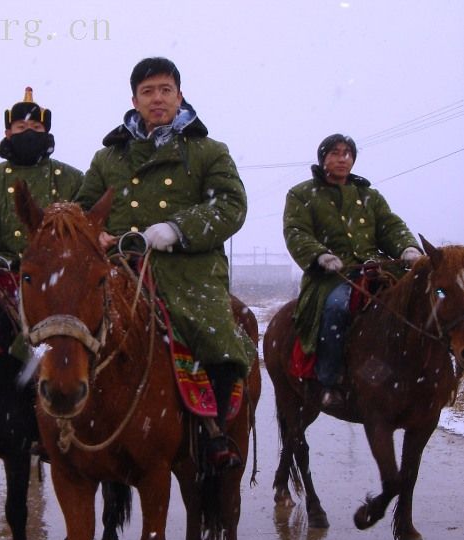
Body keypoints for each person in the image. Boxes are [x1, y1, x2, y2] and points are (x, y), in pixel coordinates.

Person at [76, 57, 257, 469]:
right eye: (148, 92)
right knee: (69, 327)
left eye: (165, 90)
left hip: (187, 268)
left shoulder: (208, 151)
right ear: (134, 100)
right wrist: (94, 233)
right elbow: (85, 208)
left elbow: (232, 205)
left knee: (214, 334)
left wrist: (178, 228)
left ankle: (216, 431)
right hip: (120, 266)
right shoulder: (108, 158)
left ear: (179, 95)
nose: (157, 99)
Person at [284, 133, 422, 409]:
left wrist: (407, 248)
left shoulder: (369, 196)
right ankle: (329, 380)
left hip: (377, 268)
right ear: (323, 158)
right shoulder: (301, 194)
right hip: (331, 275)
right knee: (336, 308)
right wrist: (320, 255)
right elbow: (296, 232)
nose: (342, 158)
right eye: (335, 153)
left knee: (419, 301)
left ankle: (420, 375)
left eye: (347, 153)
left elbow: (390, 227)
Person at [0, 87, 83, 280]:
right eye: (22, 128)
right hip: (3, 276)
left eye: (36, 127)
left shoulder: (71, 177)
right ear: (8, 133)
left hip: (58, 277)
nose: (29, 133)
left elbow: (83, 232)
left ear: (46, 132)